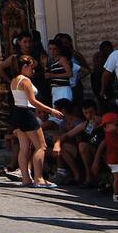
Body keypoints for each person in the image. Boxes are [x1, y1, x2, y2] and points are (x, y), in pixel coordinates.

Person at [10, 54, 64, 187]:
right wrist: (51, 110)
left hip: (18, 112)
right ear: (25, 66)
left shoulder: (14, 81)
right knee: (41, 146)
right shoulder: (25, 81)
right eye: (31, 68)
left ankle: (25, 178)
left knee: (24, 148)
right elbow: (33, 101)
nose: (32, 71)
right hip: (27, 113)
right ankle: (38, 178)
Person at [101, 112, 118, 203]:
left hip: (116, 159)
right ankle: (116, 195)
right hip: (114, 160)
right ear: (106, 126)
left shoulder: (114, 132)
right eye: (116, 124)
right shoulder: (110, 135)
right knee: (117, 178)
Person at [46, 39, 73, 106]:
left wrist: (53, 75)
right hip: (55, 89)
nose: (52, 51)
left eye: (54, 49)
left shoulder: (62, 59)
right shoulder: (53, 62)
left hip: (63, 89)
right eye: (50, 49)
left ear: (59, 49)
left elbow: (69, 73)